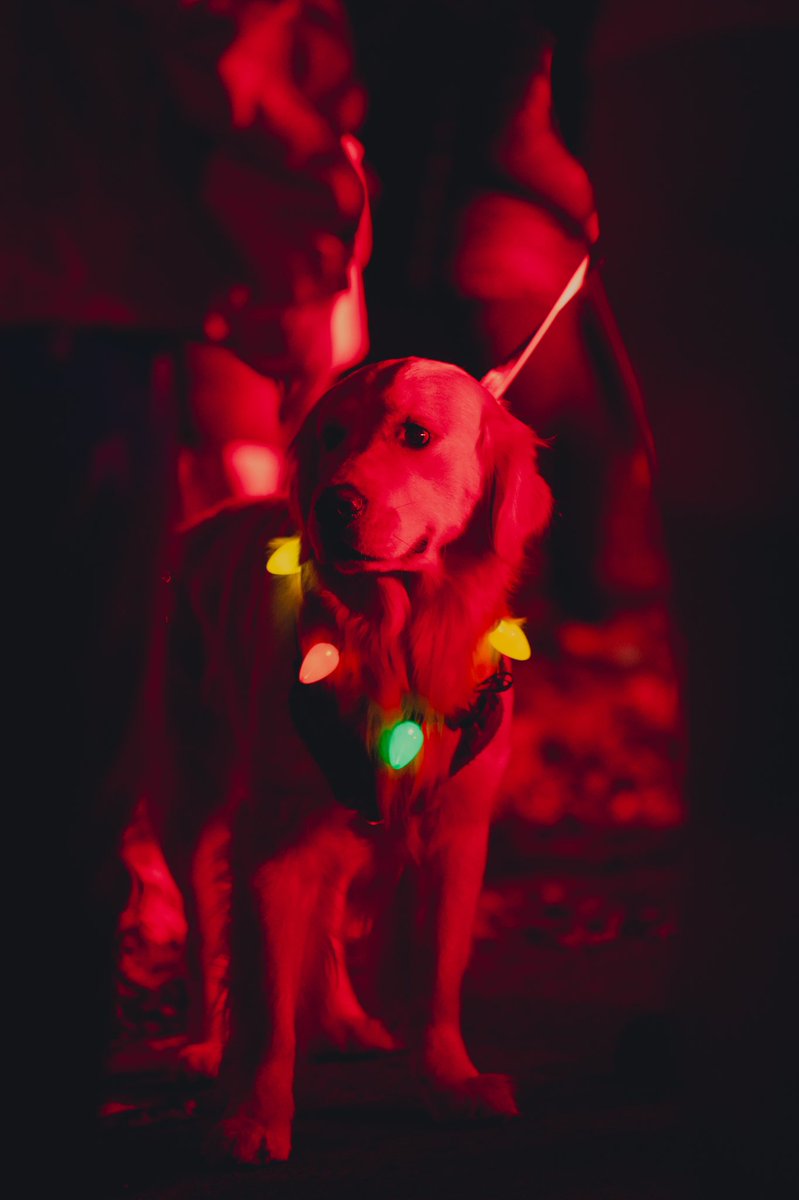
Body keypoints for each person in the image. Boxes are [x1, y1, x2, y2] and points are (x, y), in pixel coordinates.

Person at [1, 0, 368, 1184]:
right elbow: (225, 47)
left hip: (71, 280)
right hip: (57, 301)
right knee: (57, 764)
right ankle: (36, 1123)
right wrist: (304, 263)